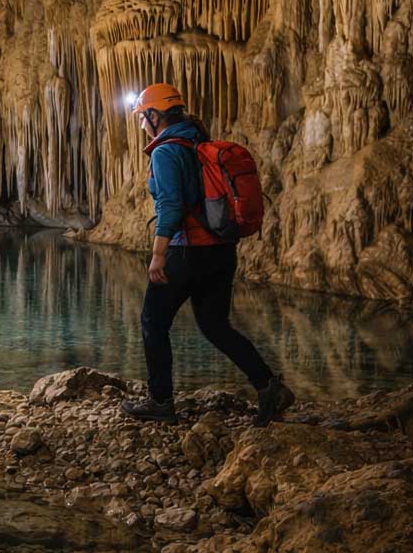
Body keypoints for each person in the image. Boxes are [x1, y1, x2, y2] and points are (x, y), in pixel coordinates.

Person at [123, 83, 293, 426]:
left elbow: (170, 206)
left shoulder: (165, 151)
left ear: (155, 115)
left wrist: (158, 253)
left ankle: (160, 401)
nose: (140, 124)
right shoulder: (198, 141)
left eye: (142, 117)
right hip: (221, 251)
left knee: (153, 322)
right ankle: (268, 386)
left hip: (186, 252)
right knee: (215, 325)